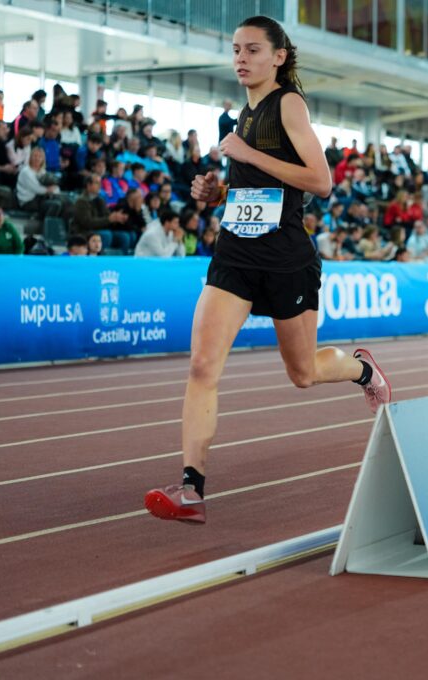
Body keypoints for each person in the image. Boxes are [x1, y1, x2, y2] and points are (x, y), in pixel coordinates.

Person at [144, 16, 390, 525]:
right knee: (201, 366)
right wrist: (219, 194)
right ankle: (192, 488)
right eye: (235, 49)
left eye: (252, 50)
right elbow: (255, 192)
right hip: (234, 254)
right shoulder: (243, 112)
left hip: (285, 260)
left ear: (278, 56)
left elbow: (320, 182)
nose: (240, 58)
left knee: (303, 374)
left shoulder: (288, 105)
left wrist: (248, 153)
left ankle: (362, 369)